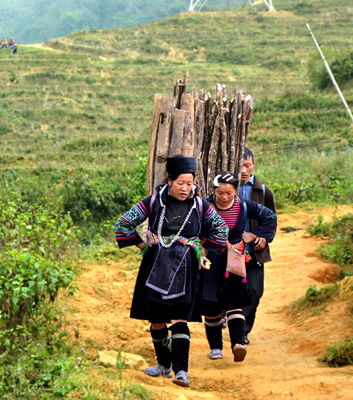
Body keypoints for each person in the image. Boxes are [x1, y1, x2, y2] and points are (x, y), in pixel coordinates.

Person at [115, 155, 228, 388]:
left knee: (179, 318)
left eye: (190, 183)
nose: (185, 188)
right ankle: (163, 365)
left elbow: (221, 229)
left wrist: (201, 250)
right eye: (180, 183)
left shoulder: (201, 205)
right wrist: (143, 245)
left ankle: (181, 371)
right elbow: (123, 223)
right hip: (155, 264)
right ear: (169, 181)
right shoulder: (154, 201)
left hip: (185, 268)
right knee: (156, 320)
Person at [201, 172, 277, 362]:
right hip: (211, 260)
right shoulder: (204, 206)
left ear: (236, 191)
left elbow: (270, 217)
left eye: (228, 192)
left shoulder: (244, 206)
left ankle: (238, 344)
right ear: (214, 191)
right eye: (220, 193)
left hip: (234, 261)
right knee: (212, 305)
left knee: (235, 302)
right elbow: (194, 227)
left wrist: (253, 234)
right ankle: (216, 348)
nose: (224, 197)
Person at [239, 148, 276, 344]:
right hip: (230, 251)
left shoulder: (263, 191)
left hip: (254, 252)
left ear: (253, 165)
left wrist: (263, 236)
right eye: (240, 166)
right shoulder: (228, 190)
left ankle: (243, 330)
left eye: (247, 165)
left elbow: (271, 220)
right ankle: (228, 323)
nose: (244, 170)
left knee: (254, 291)